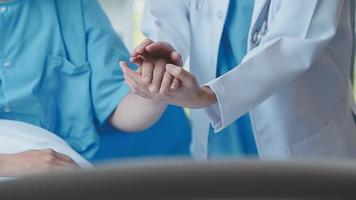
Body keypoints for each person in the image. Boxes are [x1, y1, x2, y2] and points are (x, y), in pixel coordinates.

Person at [122, 0, 356, 160]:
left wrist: (211, 95)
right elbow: (166, 13)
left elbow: (294, 41)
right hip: (217, 147)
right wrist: (164, 57)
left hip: (302, 149)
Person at [0, 0, 166, 177]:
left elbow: (118, 104)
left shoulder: (77, 7)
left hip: (59, 166)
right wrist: (9, 164)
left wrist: (155, 87)